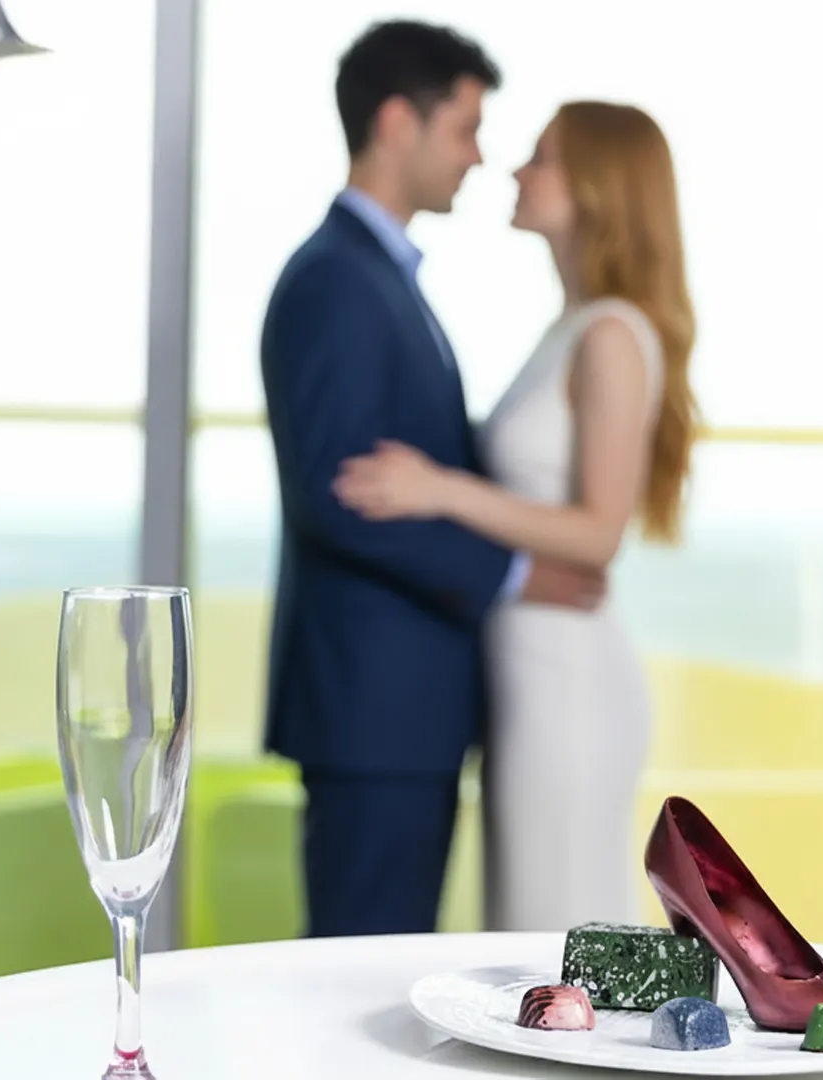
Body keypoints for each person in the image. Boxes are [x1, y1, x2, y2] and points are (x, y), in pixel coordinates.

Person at [259, 20, 605, 939]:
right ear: (395, 123)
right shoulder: (336, 280)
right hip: (373, 707)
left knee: (377, 959)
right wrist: (522, 574)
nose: (479, 156)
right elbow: (344, 500)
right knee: (354, 971)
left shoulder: (378, 277)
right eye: (464, 128)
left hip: (401, 708)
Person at [332, 100, 697, 931]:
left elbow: (600, 534)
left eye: (544, 159)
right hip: (527, 672)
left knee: (557, 932)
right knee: (531, 929)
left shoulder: (609, 334)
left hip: (566, 679)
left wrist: (438, 489)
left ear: (600, 188)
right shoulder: (569, 328)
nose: (517, 172)